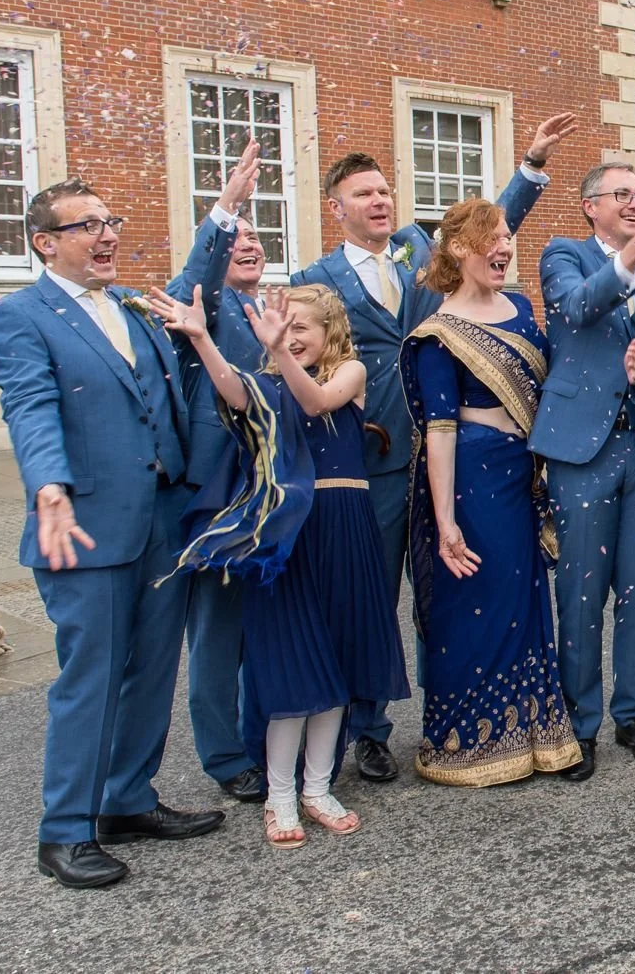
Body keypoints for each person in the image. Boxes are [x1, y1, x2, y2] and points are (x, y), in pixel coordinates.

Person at [292, 113, 572, 782]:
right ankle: (368, 730)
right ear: (337, 208)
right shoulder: (317, 276)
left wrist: (530, 164)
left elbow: (482, 234)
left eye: (385, 189)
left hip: (462, 460)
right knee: (370, 599)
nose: (379, 200)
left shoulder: (424, 257)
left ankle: (457, 720)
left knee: (448, 595)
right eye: (363, 193)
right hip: (371, 463)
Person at [0, 178, 223, 889]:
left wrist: (225, 212)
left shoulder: (130, 306)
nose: (107, 234)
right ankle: (64, 831)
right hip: (83, 525)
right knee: (92, 677)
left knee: (152, 668)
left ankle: (126, 799)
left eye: (110, 221)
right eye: (87, 226)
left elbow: (190, 290)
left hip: (159, 515)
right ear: (46, 243)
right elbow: (30, 405)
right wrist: (47, 485)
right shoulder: (18, 317)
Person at [148, 283, 410, 850]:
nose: (290, 339)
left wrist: (280, 355)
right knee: (293, 667)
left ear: (329, 331)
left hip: (345, 525)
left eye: (301, 329)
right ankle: (281, 794)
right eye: (283, 330)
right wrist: (201, 339)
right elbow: (235, 394)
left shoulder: (353, 374)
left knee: (338, 661)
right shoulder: (269, 382)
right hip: (290, 532)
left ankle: (318, 787)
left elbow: (316, 403)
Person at [400, 198, 581, 785]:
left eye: (507, 235)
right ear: (459, 249)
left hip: (519, 468)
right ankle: (467, 744)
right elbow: (440, 429)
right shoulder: (437, 335)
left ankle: (530, 734)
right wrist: (447, 519)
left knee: (525, 599)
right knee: (478, 601)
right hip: (472, 481)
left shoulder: (523, 309)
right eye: (492, 237)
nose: (504, 246)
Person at [529, 162, 635, 781]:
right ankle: (580, 719)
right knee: (581, 588)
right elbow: (575, 310)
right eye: (621, 194)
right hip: (582, 453)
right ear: (589, 205)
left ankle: (632, 713)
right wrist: (629, 255)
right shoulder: (564, 255)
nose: (633, 202)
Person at [164, 138, 269, 804]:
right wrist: (226, 210)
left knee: (268, 621)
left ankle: (263, 733)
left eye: (256, 236)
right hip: (222, 492)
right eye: (238, 240)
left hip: (277, 486)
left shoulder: (276, 307)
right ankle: (224, 755)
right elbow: (186, 285)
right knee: (219, 627)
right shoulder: (202, 308)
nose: (249, 245)